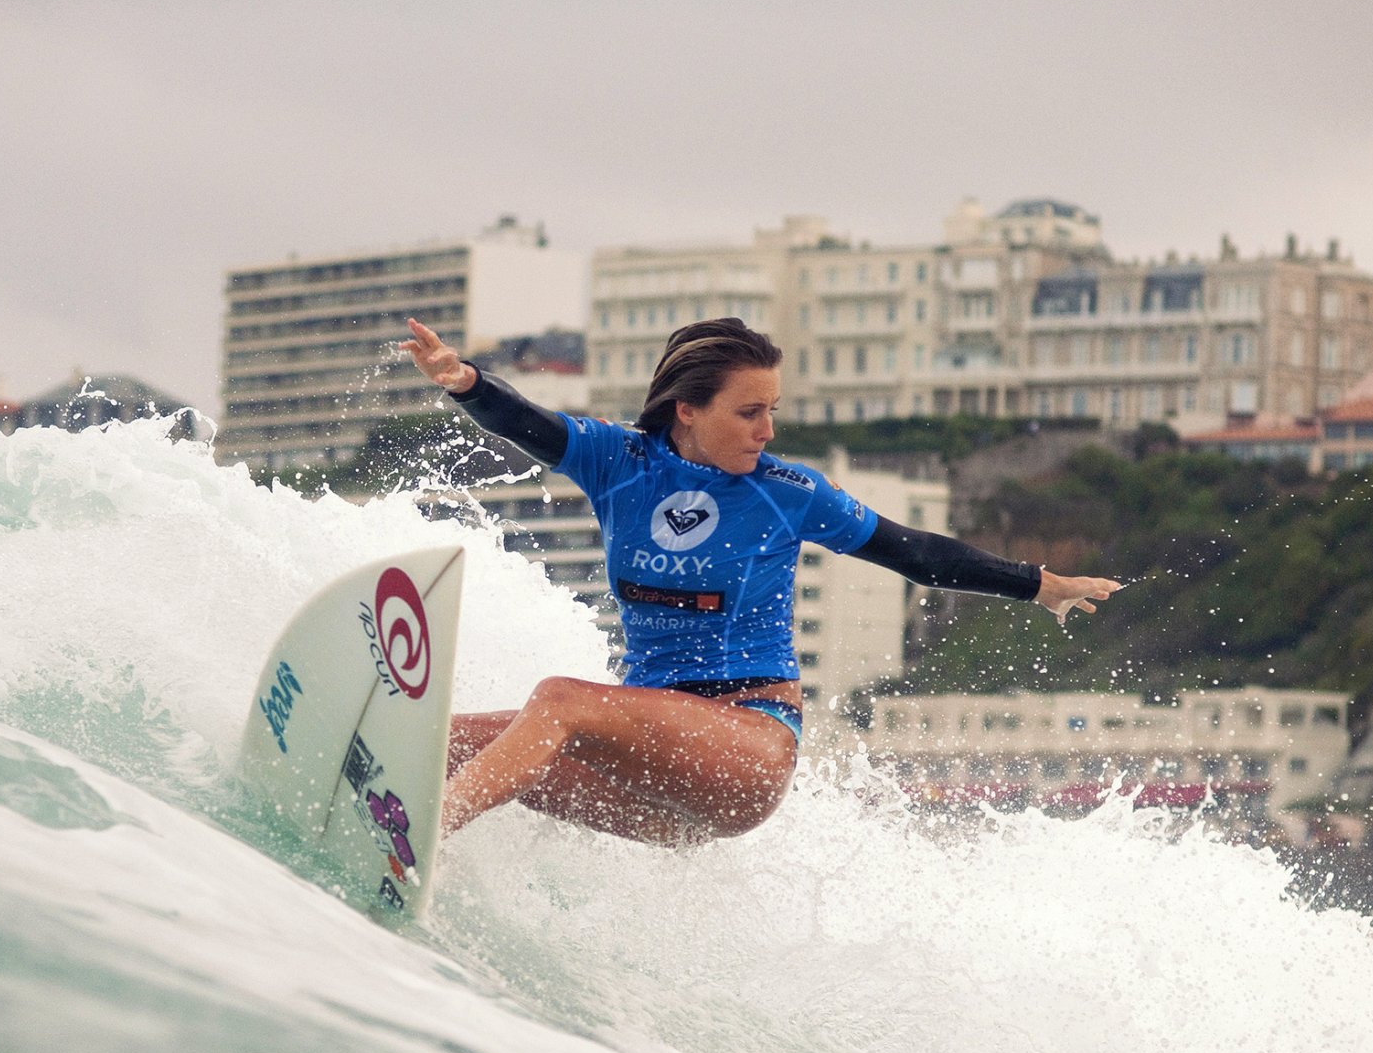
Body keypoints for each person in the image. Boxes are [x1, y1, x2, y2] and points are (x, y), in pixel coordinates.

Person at [400, 315, 1120, 845]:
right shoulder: (618, 461)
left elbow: (914, 551)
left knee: (558, 699)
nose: (767, 429)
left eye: (772, 410)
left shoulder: (789, 490)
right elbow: (529, 423)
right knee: (440, 739)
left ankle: (422, 839)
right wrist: (465, 382)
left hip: (746, 748)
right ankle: (366, 802)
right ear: (688, 409)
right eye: (749, 411)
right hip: (653, 778)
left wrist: (1037, 583)